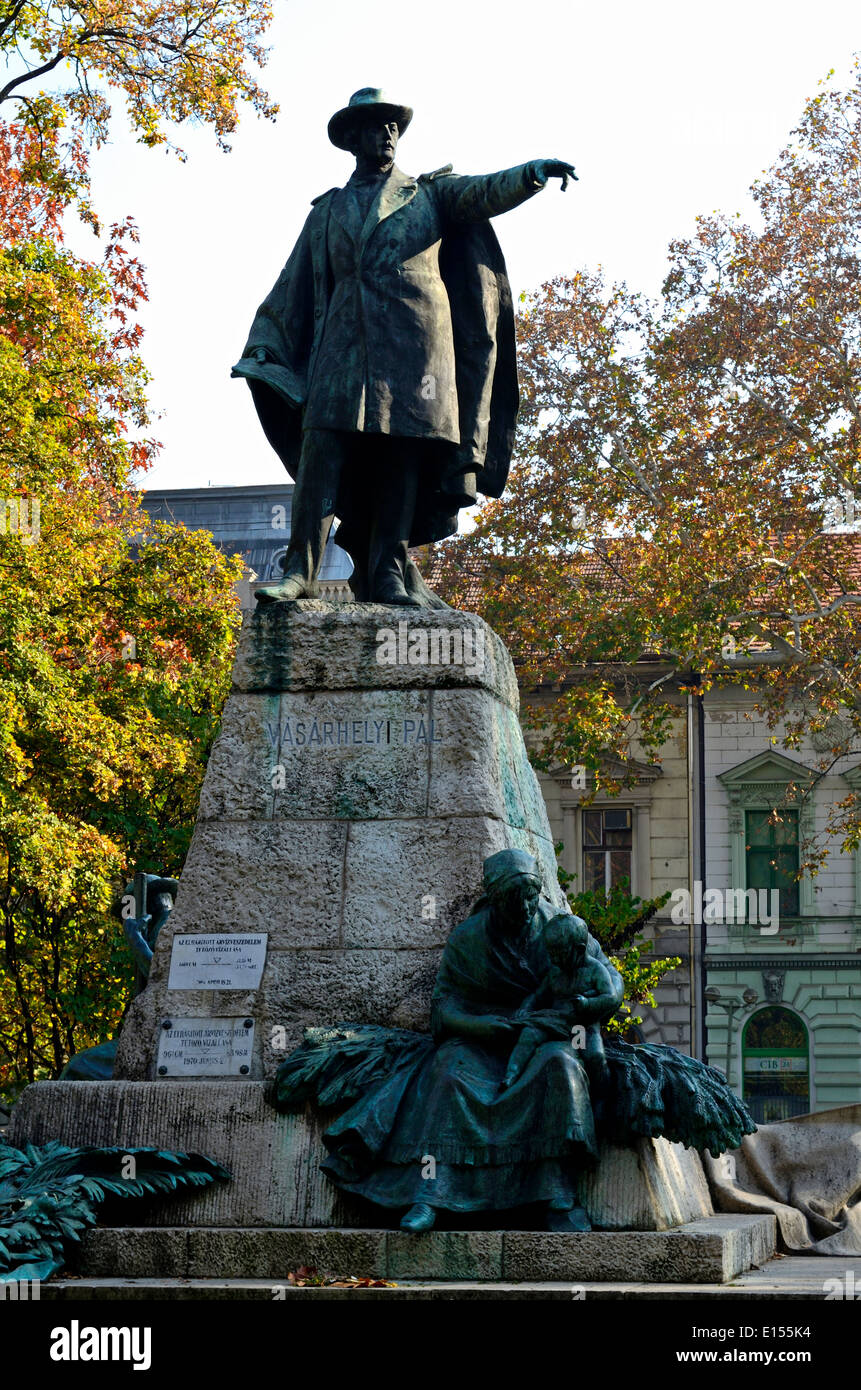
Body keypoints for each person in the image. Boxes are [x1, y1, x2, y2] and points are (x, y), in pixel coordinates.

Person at [232, 87, 577, 606]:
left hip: (416, 351)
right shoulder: (326, 211)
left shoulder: (430, 195)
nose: (387, 134)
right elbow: (293, 284)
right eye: (376, 126)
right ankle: (299, 571)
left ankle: (389, 570)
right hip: (342, 349)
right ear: (353, 139)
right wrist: (264, 343)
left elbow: (484, 192)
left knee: (401, 456)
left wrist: (532, 172)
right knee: (321, 451)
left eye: (393, 126)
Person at [502, 913, 616, 1094]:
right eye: (551, 952)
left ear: (579, 950)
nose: (553, 958)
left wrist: (587, 1004)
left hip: (581, 1026)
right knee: (528, 1036)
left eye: (558, 953)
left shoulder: (595, 971)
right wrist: (525, 1008)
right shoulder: (556, 972)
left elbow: (609, 998)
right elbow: (538, 995)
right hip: (554, 1022)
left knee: (594, 1056)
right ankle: (511, 1075)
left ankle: (602, 1095)